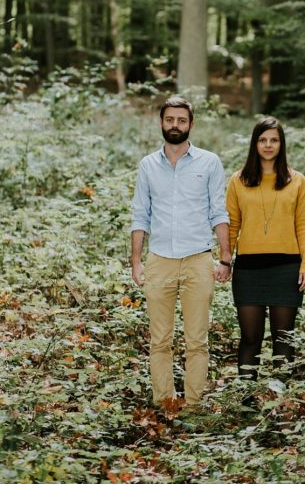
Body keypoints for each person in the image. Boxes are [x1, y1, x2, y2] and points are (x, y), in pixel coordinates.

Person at [130, 96, 232, 409]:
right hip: (159, 260)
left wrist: (226, 257)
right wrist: (136, 260)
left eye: (182, 120)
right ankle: (165, 405)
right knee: (160, 340)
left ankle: (194, 406)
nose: (175, 125)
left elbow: (219, 212)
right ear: (162, 122)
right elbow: (140, 215)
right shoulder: (148, 165)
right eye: (170, 120)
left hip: (198, 260)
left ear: (191, 125)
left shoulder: (209, 162)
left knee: (196, 341)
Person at [226, 117, 305, 382]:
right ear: (255, 144)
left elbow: (304, 225)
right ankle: (246, 399)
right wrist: (224, 260)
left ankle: (280, 402)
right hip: (249, 269)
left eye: (273, 140)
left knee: (283, 337)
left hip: (286, 268)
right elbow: (231, 226)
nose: (268, 145)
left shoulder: (296, 181)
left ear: (281, 144)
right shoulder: (238, 181)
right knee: (250, 337)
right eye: (262, 140)